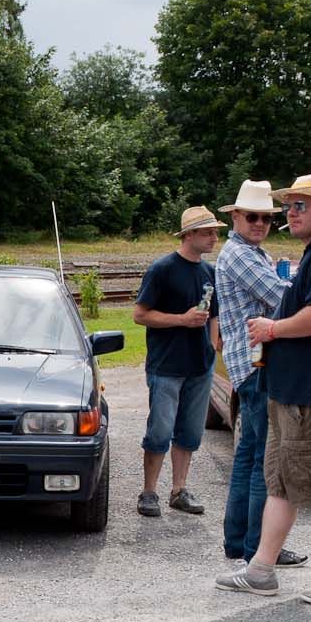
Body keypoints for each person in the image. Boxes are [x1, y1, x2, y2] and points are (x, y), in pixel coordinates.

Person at [215, 173, 311, 605]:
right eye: (290, 206)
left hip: (310, 394)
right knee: (280, 482)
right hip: (290, 390)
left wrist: (273, 328)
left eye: (301, 205)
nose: (291, 213)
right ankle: (261, 569)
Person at [210, 180, 305, 570]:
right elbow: (283, 298)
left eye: (266, 218)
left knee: (249, 456)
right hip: (256, 366)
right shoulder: (241, 256)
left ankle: (240, 543)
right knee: (264, 462)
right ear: (235, 216)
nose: (260, 224)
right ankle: (258, 547)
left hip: (249, 365)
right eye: (253, 217)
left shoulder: (248, 253)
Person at [132, 206, 222, 518]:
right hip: (166, 366)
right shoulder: (162, 269)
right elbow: (140, 315)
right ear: (189, 235)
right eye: (208, 232)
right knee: (159, 431)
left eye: (215, 232)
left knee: (190, 433)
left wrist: (211, 347)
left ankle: (179, 490)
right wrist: (181, 320)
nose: (214, 237)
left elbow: (214, 315)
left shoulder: (210, 272)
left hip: (200, 367)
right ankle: (149, 492)